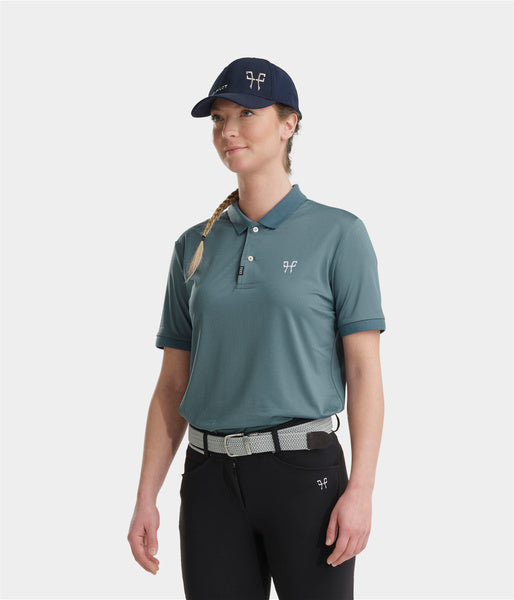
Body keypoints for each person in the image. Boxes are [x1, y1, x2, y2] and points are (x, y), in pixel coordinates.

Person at [127, 57, 386, 600]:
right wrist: (146, 495)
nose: (229, 130)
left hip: (305, 476)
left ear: (289, 123)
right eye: (218, 118)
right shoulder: (193, 246)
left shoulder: (339, 234)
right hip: (208, 479)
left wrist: (361, 489)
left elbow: (364, 374)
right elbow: (173, 384)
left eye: (246, 113)